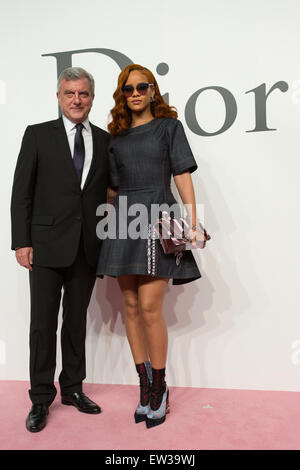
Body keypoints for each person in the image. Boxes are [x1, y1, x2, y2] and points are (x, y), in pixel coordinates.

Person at [96, 64, 206, 428]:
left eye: (142, 86)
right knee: (129, 305)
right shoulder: (116, 138)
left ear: (153, 90)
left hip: (158, 214)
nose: (136, 93)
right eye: (128, 89)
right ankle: (144, 387)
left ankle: (160, 387)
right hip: (123, 219)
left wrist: (191, 221)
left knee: (149, 306)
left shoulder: (169, 127)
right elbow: (112, 189)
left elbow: (182, 174)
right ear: (122, 95)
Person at [10, 67, 110, 432]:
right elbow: (21, 192)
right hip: (45, 246)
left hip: (87, 246)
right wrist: (21, 241)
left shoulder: (104, 139)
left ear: (92, 98)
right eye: (69, 93)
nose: (77, 100)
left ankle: (72, 388)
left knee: (76, 323)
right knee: (42, 325)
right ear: (58, 97)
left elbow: (107, 196)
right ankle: (40, 398)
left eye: (83, 93)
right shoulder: (37, 135)